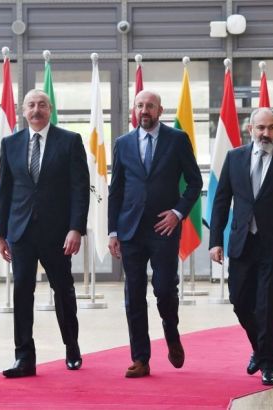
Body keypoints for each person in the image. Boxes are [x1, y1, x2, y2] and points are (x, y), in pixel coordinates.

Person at [208, 107, 273, 386]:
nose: (266, 133)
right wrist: (215, 240)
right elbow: (221, 201)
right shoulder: (234, 158)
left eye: (271, 127)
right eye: (260, 128)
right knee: (240, 301)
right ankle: (259, 349)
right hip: (242, 242)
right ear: (250, 129)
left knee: (269, 306)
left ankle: (268, 363)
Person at [0, 89, 90, 378]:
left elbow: (79, 188)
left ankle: (71, 346)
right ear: (23, 111)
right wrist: (0, 233)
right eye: (31, 105)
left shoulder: (70, 141)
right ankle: (24, 358)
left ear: (50, 110)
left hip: (58, 233)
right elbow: (6, 190)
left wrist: (76, 228)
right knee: (22, 292)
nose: (36, 110)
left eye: (42, 105)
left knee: (63, 290)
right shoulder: (10, 143)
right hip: (20, 232)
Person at [108, 90, 202, 378]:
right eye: (140, 106)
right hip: (130, 230)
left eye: (150, 105)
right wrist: (113, 231)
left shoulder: (177, 140)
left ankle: (171, 334)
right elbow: (117, 190)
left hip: (164, 228)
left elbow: (195, 182)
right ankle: (140, 358)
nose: (144, 110)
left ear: (160, 110)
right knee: (133, 294)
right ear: (134, 110)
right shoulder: (122, 143)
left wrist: (177, 213)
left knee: (163, 289)